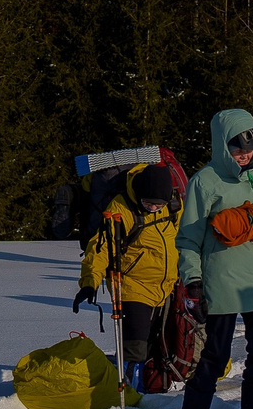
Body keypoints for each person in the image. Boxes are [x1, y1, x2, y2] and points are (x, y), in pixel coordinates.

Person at [175, 108, 253, 409]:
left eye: (249, 148)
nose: (244, 154)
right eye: (236, 147)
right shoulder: (205, 182)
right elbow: (188, 240)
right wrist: (192, 281)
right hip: (221, 283)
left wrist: (252, 220)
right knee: (214, 355)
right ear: (222, 144)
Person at [76, 160, 183, 390]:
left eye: (158, 205)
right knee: (135, 345)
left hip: (166, 287)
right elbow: (101, 248)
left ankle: (151, 385)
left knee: (159, 344)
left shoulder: (174, 205)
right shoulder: (120, 209)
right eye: (148, 203)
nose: (153, 208)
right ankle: (129, 391)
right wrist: (89, 282)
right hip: (132, 286)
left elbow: (187, 235)